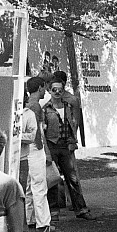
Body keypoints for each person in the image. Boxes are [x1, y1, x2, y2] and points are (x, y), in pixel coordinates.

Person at [42, 80, 94, 220]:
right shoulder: (45, 109)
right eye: (54, 90)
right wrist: (46, 151)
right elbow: (43, 131)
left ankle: (81, 209)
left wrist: (72, 141)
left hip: (65, 146)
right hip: (52, 145)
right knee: (53, 178)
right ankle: (53, 212)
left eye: (60, 90)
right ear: (50, 91)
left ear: (63, 91)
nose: (57, 92)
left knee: (73, 178)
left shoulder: (68, 107)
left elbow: (72, 125)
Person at [21, 79, 53, 232]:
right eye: (44, 88)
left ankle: (30, 219)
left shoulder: (28, 105)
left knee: (29, 187)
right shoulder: (35, 107)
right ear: (40, 88)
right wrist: (45, 151)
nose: (45, 91)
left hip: (28, 149)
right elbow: (38, 132)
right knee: (40, 186)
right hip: (35, 148)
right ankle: (43, 222)